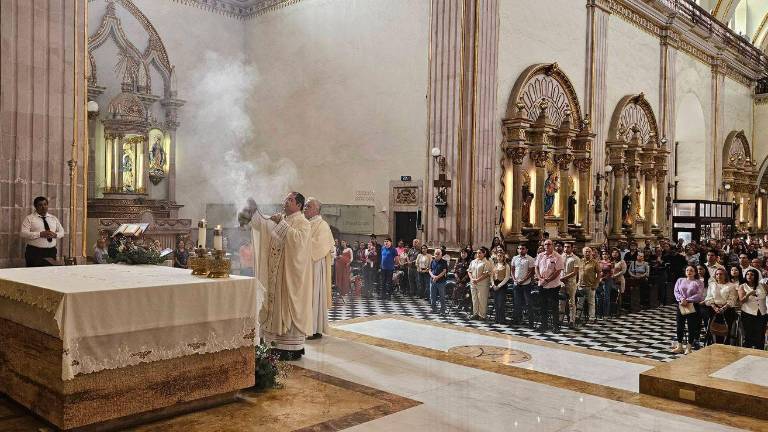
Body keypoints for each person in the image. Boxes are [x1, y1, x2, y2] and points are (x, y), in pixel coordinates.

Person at [241, 192, 312, 361]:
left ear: (299, 205)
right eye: (286, 199)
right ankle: (273, 345)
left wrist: (282, 224)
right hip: (276, 276)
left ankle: (290, 348)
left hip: (290, 279)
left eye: (290, 200)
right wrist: (254, 212)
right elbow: (264, 225)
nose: (285, 202)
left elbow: (299, 243)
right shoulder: (283, 219)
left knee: (286, 305)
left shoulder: (304, 223)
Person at [304, 197, 335, 340]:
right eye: (305, 205)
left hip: (315, 266)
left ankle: (315, 328)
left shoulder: (322, 225)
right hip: (305, 265)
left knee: (314, 296)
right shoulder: (305, 223)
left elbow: (319, 246)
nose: (305, 208)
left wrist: (300, 240)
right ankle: (305, 327)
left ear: (316, 209)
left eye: (308, 206)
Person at [20, 196, 66, 267]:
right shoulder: (29, 218)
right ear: (35, 206)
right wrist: (40, 234)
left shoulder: (53, 218)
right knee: (34, 274)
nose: (43, 207)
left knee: (49, 274)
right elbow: (23, 233)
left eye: (45, 204)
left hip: (51, 252)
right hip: (35, 252)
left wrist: (55, 235)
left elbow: (62, 232)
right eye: (40, 205)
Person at [673, 266, 704, 354]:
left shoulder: (699, 282)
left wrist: (688, 300)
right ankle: (679, 346)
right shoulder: (680, 280)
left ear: (695, 272)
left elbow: (699, 294)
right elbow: (676, 291)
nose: (689, 272)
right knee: (680, 326)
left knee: (691, 327)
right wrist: (681, 299)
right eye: (687, 270)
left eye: (691, 270)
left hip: (693, 305)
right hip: (681, 304)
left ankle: (689, 347)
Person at [535, 240, 564, 332]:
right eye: (545, 244)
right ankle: (544, 325)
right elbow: (536, 267)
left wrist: (547, 280)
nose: (547, 246)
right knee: (543, 306)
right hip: (542, 284)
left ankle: (555, 326)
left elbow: (558, 271)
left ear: (553, 245)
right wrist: (540, 278)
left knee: (554, 306)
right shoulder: (540, 255)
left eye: (549, 244)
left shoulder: (558, 257)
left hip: (553, 285)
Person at [704, 268, 737, 346]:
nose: (719, 276)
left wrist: (723, 308)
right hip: (713, 309)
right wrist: (715, 307)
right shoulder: (712, 285)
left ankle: (725, 347)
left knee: (725, 331)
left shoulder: (731, 286)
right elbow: (709, 297)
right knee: (712, 330)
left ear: (725, 275)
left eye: (721, 274)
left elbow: (732, 299)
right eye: (717, 274)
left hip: (727, 310)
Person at [737, 268, 767, 350]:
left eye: (752, 274)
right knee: (749, 335)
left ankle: (759, 353)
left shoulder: (763, 285)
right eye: (747, 274)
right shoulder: (742, 286)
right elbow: (741, 301)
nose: (749, 276)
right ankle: (747, 353)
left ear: (756, 276)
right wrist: (749, 294)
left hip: (762, 313)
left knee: (760, 335)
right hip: (748, 313)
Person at [511, 244, 536, 325]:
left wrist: (523, 280)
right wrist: (514, 279)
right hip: (516, 283)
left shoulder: (530, 259)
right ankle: (517, 320)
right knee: (517, 303)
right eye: (520, 249)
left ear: (526, 250)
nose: (521, 250)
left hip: (526, 284)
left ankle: (530, 321)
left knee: (528, 303)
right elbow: (513, 270)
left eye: (523, 249)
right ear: (518, 250)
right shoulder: (515, 258)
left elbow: (532, 271)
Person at [468, 247, 493, 320]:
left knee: (482, 299)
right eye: (477, 253)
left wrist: (478, 280)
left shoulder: (486, 262)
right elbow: (469, 271)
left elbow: (486, 274)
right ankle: (475, 313)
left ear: (484, 253)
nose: (478, 254)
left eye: (480, 253)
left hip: (482, 284)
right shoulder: (473, 261)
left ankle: (482, 315)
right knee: (474, 299)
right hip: (473, 283)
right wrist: (472, 279)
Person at [561, 243, 581, 327]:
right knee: (561, 301)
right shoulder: (561, 257)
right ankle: (560, 319)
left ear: (572, 248)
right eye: (565, 247)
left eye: (568, 247)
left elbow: (575, 272)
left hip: (571, 282)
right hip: (561, 282)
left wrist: (565, 277)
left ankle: (572, 320)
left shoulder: (575, 258)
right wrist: (561, 278)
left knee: (571, 302)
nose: (566, 248)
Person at [579, 247, 600, 323]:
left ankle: (592, 318)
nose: (587, 253)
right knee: (579, 302)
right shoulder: (580, 261)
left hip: (590, 285)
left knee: (591, 302)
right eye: (585, 252)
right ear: (583, 253)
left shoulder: (595, 262)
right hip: (581, 285)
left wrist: (596, 284)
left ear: (591, 253)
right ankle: (579, 317)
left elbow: (599, 274)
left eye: (588, 251)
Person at [491, 248, 511, 324]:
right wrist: (493, 284)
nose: (499, 257)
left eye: (501, 256)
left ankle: (502, 319)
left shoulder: (506, 265)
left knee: (501, 303)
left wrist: (499, 286)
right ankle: (497, 318)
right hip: (495, 285)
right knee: (496, 303)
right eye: (498, 256)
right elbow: (491, 276)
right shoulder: (495, 265)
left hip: (502, 285)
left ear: (503, 257)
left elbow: (507, 277)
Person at [429, 248, 449, 315]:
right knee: (432, 295)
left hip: (441, 281)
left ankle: (442, 310)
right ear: (434, 254)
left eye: (438, 254)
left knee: (442, 296)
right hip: (433, 281)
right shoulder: (432, 261)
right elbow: (429, 270)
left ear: (441, 255)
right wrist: (433, 276)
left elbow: (444, 271)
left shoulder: (444, 262)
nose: (436, 255)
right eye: (435, 254)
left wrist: (437, 277)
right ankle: (433, 309)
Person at [598, 250, 614, 319]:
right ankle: (599, 313)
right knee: (599, 297)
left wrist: (604, 279)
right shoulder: (599, 262)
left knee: (606, 297)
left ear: (608, 255)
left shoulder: (611, 263)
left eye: (606, 254)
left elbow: (611, 273)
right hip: (599, 280)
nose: (604, 255)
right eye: (603, 254)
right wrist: (599, 279)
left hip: (608, 281)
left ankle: (606, 313)